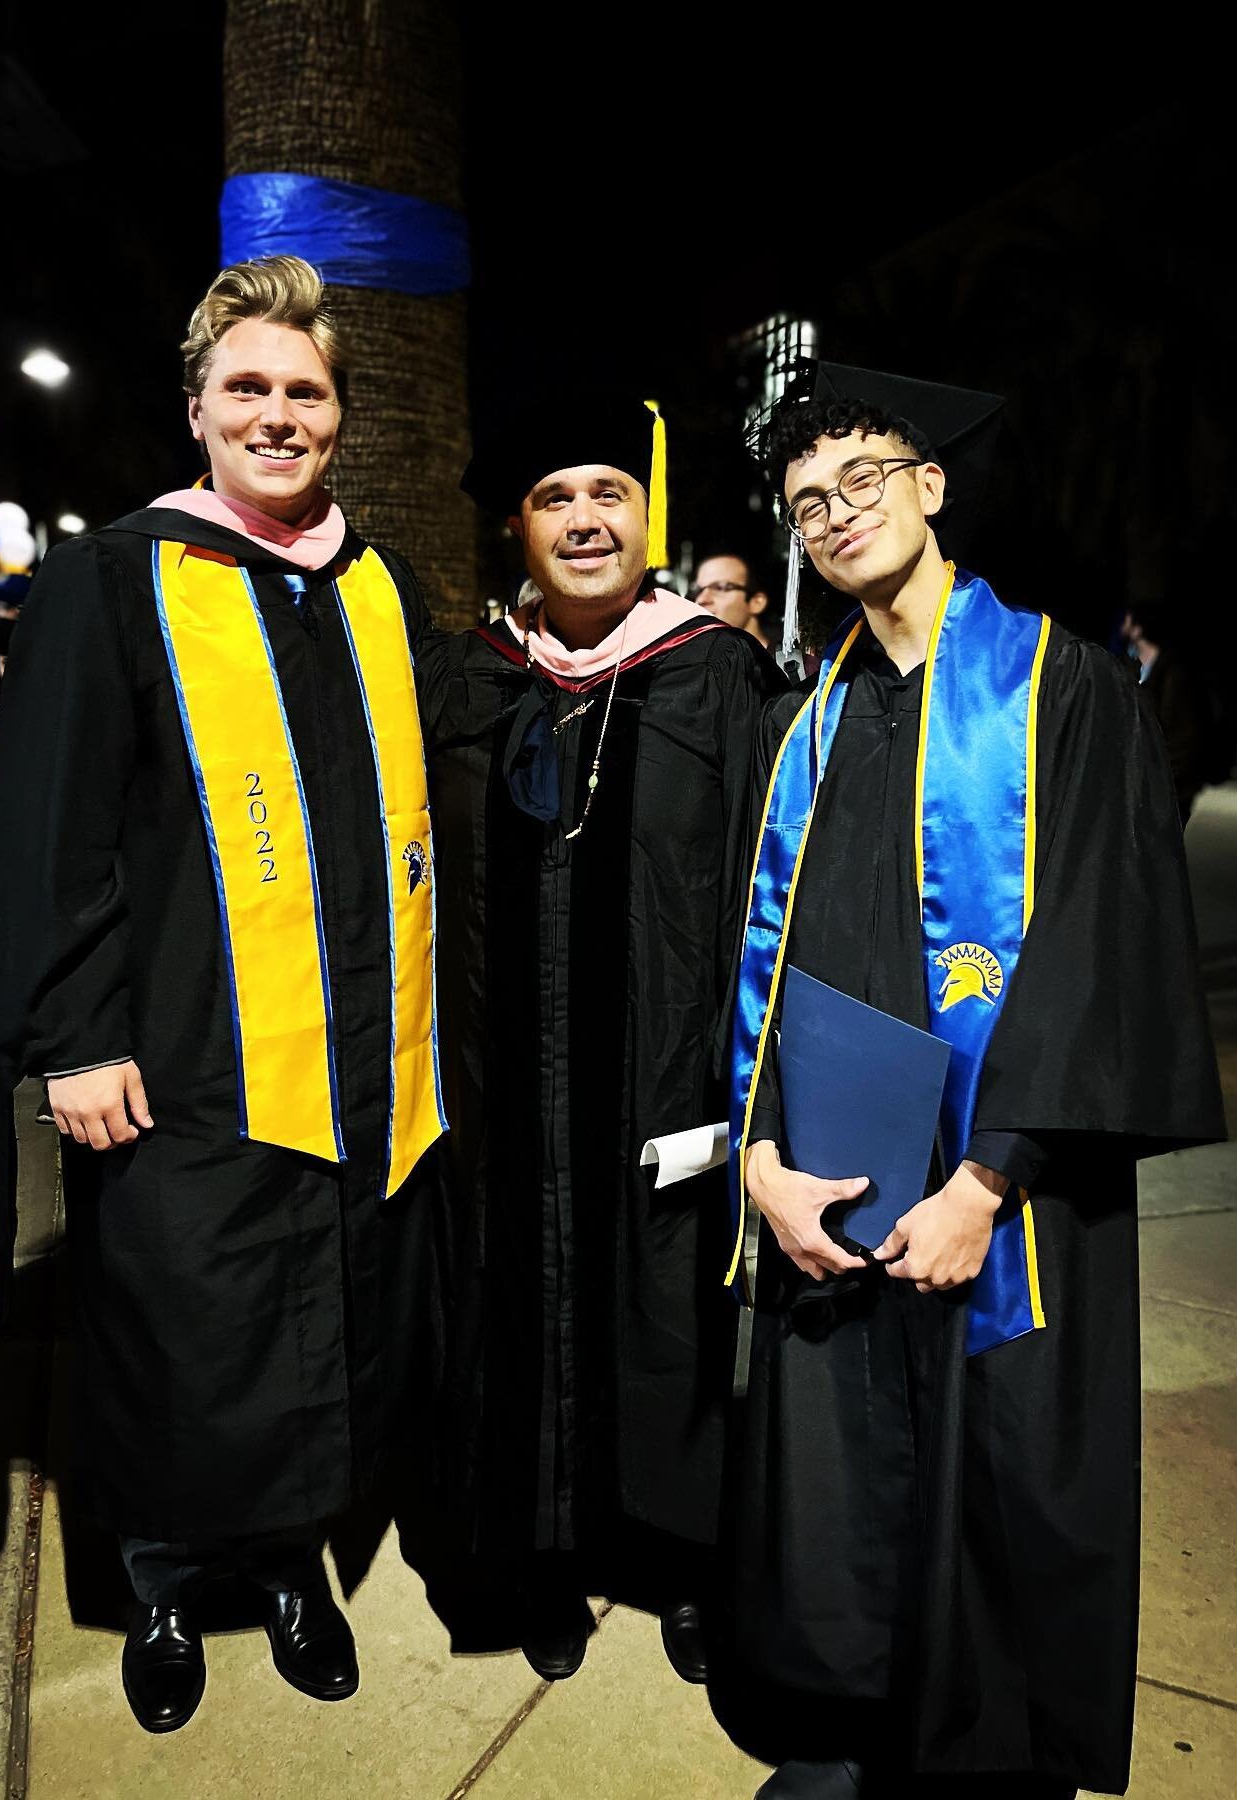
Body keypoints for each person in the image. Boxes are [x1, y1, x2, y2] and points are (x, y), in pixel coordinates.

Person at [725, 362, 1225, 1798]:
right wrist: (760, 1155)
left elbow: (1099, 954)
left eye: (864, 479)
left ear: (933, 484)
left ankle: (978, 1763)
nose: (836, 515)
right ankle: (848, 1732)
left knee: (990, 1478)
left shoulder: (1061, 690)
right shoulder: (800, 726)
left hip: (1001, 1207)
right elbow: (750, 961)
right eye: (808, 500)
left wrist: (987, 1178)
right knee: (849, 1479)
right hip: (836, 1191)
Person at [0, 255, 446, 1734]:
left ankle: (288, 1569)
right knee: (186, 1332)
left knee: (315, 1321)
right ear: (197, 410)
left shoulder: (372, 583)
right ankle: (169, 1585)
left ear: (338, 420)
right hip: (183, 1051)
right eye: (246, 387)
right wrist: (72, 1035)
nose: (276, 413)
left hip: (356, 1049)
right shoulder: (117, 576)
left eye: (303, 392)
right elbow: (51, 827)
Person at [419, 392, 785, 1684]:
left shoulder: (718, 675)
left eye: (609, 494)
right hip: (498, 1081)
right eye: (554, 497)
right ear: (516, 526)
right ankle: (539, 1564)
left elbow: (768, 885)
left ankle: (678, 1560)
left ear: (649, 516)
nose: (584, 519)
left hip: (661, 1075)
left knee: (668, 1310)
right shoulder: (465, 676)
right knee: (506, 1302)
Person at [1121, 601, 1212, 825]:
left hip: (1168, 788)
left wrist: (1163, 782)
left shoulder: (1174, 673)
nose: (1121, 624)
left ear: (1137, 627)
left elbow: (1183, 738)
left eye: (1126, 619)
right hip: (1138, 786)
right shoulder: (1125, 662)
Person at [692, 551, 772, 645]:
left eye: (720, 587)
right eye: (698, 591)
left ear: (757, 602)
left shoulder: (784, 657)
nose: (701, 600)